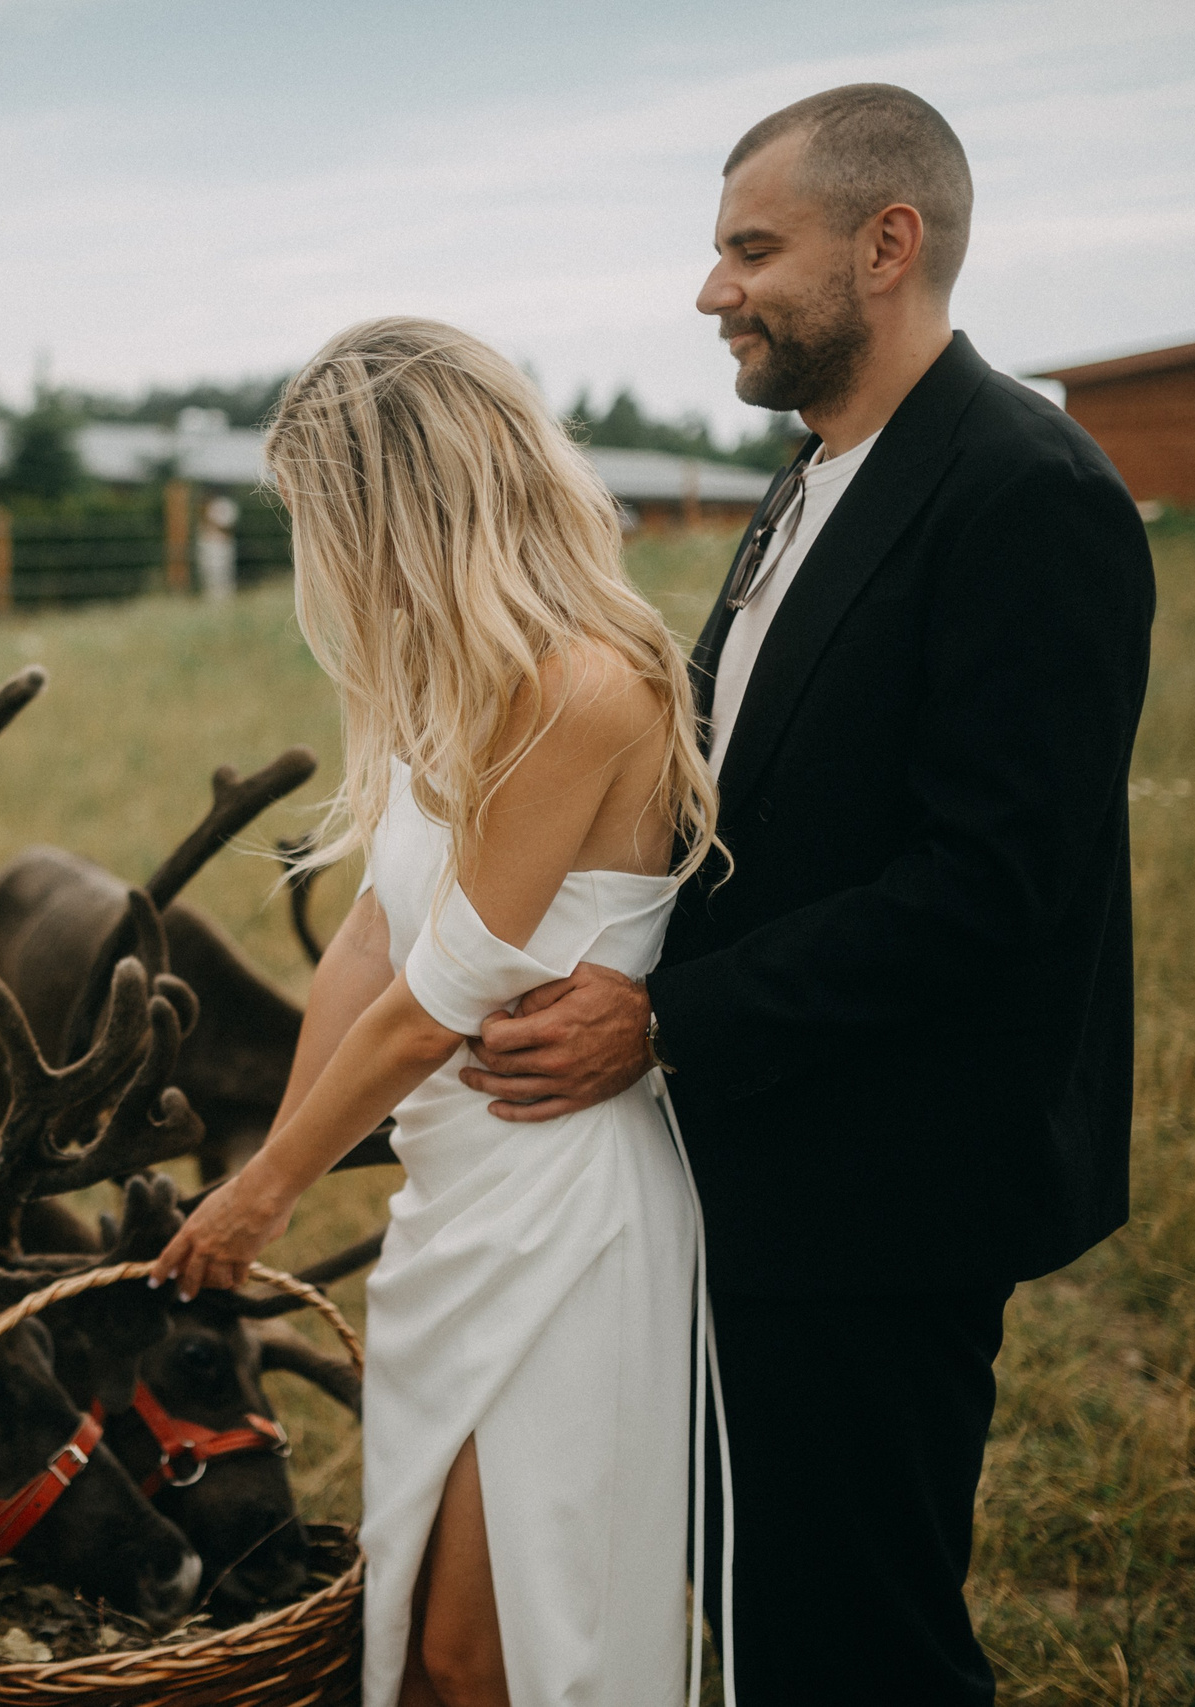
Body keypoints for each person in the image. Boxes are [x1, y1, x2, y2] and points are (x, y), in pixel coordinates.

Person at [454, 86, 1156, 1704]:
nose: (714, 292)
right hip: (761, 1155)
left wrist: (664, 1018)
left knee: (858, 1635)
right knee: (763, 1598)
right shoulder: (811, 474)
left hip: (889, 1183)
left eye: (751, 250)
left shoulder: (1025, 493)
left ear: (886, 245)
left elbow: (994, 885)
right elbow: (740, 790)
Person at [152, 316, 728, 1707]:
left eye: (327, 525)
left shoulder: (585, 684)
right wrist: (268, 1158)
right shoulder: (442, 691)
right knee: (412, 1635)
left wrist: (269, 1192)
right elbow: (369, 935)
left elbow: (439, 999)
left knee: (500, 1651)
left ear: (401, 508)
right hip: (454, 1202)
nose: (323, 569)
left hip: (564, 1210)